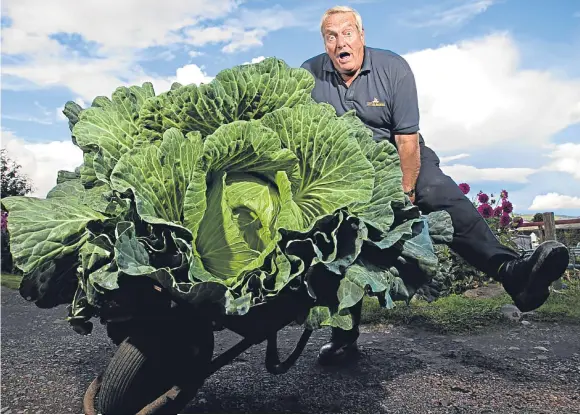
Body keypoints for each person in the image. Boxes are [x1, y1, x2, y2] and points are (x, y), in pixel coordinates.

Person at [300, 5, 570, 366]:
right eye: (331, 36)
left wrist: (405, 194)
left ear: (361, 36)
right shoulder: (309, 74)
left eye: (347, 33)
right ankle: (343, 338)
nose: (340, 42)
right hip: (346, 169)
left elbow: (407, 141)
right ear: (324, 42)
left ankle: (512, 273)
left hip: (400, 157)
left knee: (436, 191)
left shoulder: (392, 68)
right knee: (336, 237)